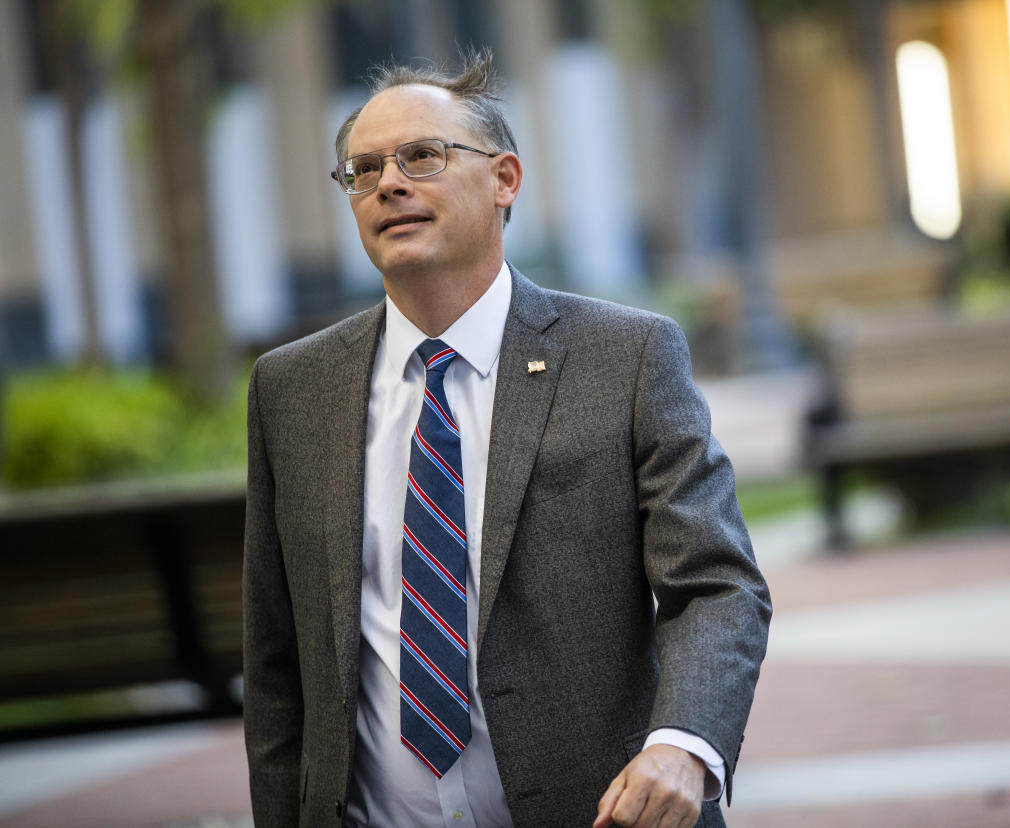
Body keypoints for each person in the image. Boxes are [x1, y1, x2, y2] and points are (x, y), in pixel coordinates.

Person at [242, 49, 770, 828]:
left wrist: (684, 743)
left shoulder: (626, 357)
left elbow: (718, 585)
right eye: (362, 170)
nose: (388, 183)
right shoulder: (292, 389)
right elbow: (276, 657)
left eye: (422, 156)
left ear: (505, 180)